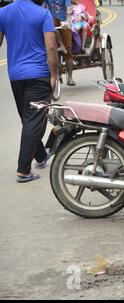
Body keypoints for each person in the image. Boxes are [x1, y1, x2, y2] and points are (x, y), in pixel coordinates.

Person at [0, 0, 57, 183]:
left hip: (16, 76)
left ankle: (40, 157)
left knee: (29, 120)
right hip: (39, 75)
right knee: (33, 121)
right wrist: (54, 75)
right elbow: (51, 47)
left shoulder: (4, 12)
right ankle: (23, 170)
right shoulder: (43, 14)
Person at [45, 0, 76, 86]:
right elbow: (42, 5)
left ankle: (70, 78)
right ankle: (56, 75)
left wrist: (68, 14)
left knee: (68, 50)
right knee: (53, 49)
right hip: (52, 22)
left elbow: (69, 6)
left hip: (64, 21)